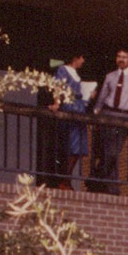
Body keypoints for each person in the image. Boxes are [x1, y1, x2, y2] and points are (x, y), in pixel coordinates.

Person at [90, 48, 128, 191]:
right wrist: (96, 113)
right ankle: (112, 188)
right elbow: (102, 96)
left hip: (123, 116)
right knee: (105, 151)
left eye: (124, 57)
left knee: (113, 151)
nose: (121, 59)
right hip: (107, 113)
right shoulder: (110, 76)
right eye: (119, 56)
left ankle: (97, 180)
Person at [52, 53, 91, 187]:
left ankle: (66, 179)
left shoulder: (75, 73)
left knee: (78, 146)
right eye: (82, 58)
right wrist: (57, 103)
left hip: (79, 108)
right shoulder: (63, 70)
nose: (83, 61)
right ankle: (64, 180)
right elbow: (58, 86)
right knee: (71, 145)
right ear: (76, 57)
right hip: (70, 107)